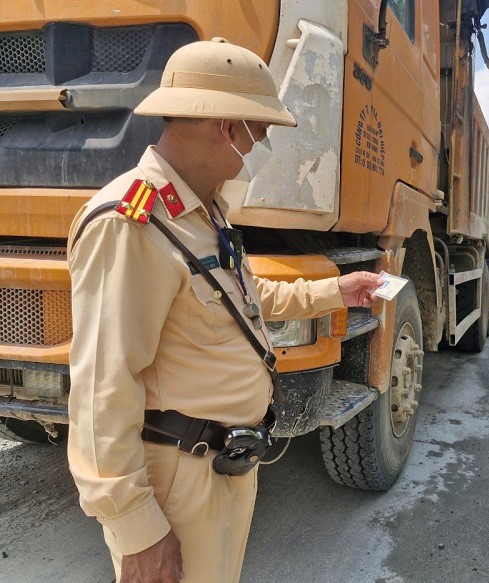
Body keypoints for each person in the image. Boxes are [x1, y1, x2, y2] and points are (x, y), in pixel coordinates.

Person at [67, 38, 383, 583]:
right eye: (256, 133)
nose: (257, 148)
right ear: (225, 127)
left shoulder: (202, 213)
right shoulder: (131, 223)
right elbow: (102, 386)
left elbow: (244, 301)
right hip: (176, 481)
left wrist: (336, 291)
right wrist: (135, 527)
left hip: (219, 468)